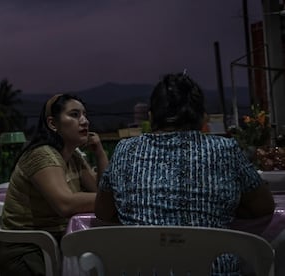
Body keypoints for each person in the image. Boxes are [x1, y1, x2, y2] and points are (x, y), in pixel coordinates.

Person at [95, 72, 275, 275]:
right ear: (201, 117)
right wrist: (226, 207)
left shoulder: (125, 150)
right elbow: (264, 206)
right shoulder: (226, 149)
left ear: (151, 116)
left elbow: (103, 212)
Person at [0, 93, 109, 275]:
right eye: (74, 115)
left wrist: (100, 152)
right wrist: (116, 199)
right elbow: (65, 204)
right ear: (52, 124)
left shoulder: (73, 157)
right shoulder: (42, 155)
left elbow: (100, 189)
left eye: (84, 115)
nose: (84, 121)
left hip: (58, 243)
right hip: (28, 251)